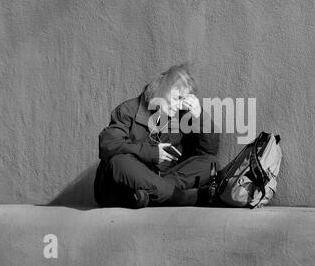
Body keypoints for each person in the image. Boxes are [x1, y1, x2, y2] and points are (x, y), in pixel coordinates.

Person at [94, 63, 220, 209]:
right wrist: (153, 153)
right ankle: (181, 197)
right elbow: (107, 145)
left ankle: (149, 196)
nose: (179, 105)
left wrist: (200, 117)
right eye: (177, 98)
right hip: (121, 184)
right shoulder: (128, 110)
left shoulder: (181, 116)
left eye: (183, 100)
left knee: (211, 163)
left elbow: (208, 152)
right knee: (119, 161)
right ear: (161, 89)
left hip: (159, 179)